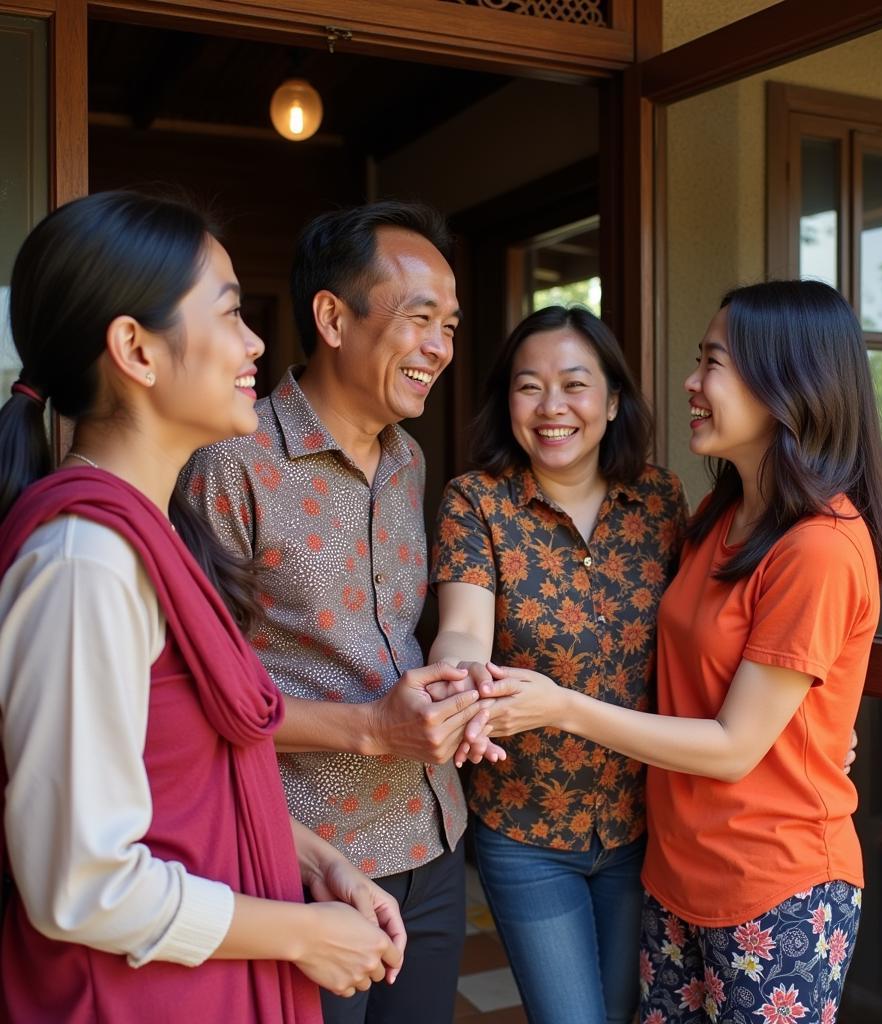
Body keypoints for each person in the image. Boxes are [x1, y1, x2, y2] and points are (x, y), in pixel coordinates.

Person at [0, 191, 406, 1023]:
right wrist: (300, 935)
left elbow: (198, 781)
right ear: (136, 351)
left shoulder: (154, 534)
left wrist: (319, 865)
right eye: (229, 313)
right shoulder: (84, 565)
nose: (256, 341)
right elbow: (81, 883)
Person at [457, 281, 882, 1023]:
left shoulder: (820, 546)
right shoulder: (716, 514)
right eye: (698, 360)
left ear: (785, 380)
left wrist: (561, 706)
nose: (692, 383)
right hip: (676, 872)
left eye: (714, 363)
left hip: (774, 886)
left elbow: (734, 745)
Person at [180, 201, 499, 1024]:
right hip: (303, 860)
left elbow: (392, 643)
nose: (440, 346)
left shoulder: (409, 458)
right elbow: (193, 697)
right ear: (332, 317)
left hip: (433, 840)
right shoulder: (230, 462)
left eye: (451, 326)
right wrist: (370, 725)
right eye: (420, 319)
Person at [429, 305, 687, 1024]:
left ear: (611, 400)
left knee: (624, 1010)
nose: (551, 409)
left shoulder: (661, 503)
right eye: (528, 386)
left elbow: (709, 640)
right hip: (526, 830)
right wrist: (463, 677)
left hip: (644, 825)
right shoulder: (476, 501)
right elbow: (462, 629)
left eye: (574, 385)